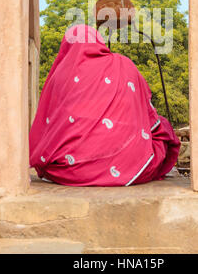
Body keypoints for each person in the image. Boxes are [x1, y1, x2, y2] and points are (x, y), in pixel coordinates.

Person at [29, 24, 180, 186]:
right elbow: (149, 116)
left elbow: (48, 125)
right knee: (162, 127)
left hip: (69, 170)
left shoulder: (59, 76)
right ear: (98, 41)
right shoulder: (124, 64)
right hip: (130, 165)